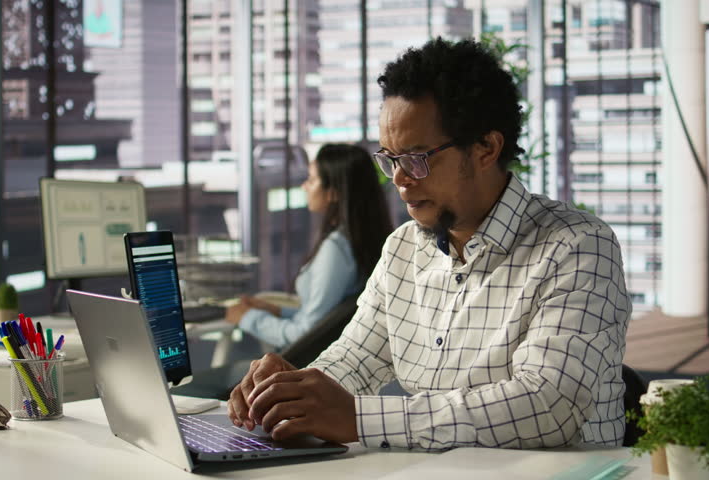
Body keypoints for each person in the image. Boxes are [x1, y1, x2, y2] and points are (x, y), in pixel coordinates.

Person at [227, 38, 631, 451]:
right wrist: (289, 392)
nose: (399, 178)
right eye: (390, 158)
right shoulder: (403, 248)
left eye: (417, 158)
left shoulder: (578, 246)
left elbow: (547, 406)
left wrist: (358, 418)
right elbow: (354, 359)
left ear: (486, 148)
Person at [224, 143, 393, 350]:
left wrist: (248, 317)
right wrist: (277, 311)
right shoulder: (360, 241)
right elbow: (325, 319)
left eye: (311, 179)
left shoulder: (337, 250)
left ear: (333, 193)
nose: (304, 186)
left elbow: (307, 334)